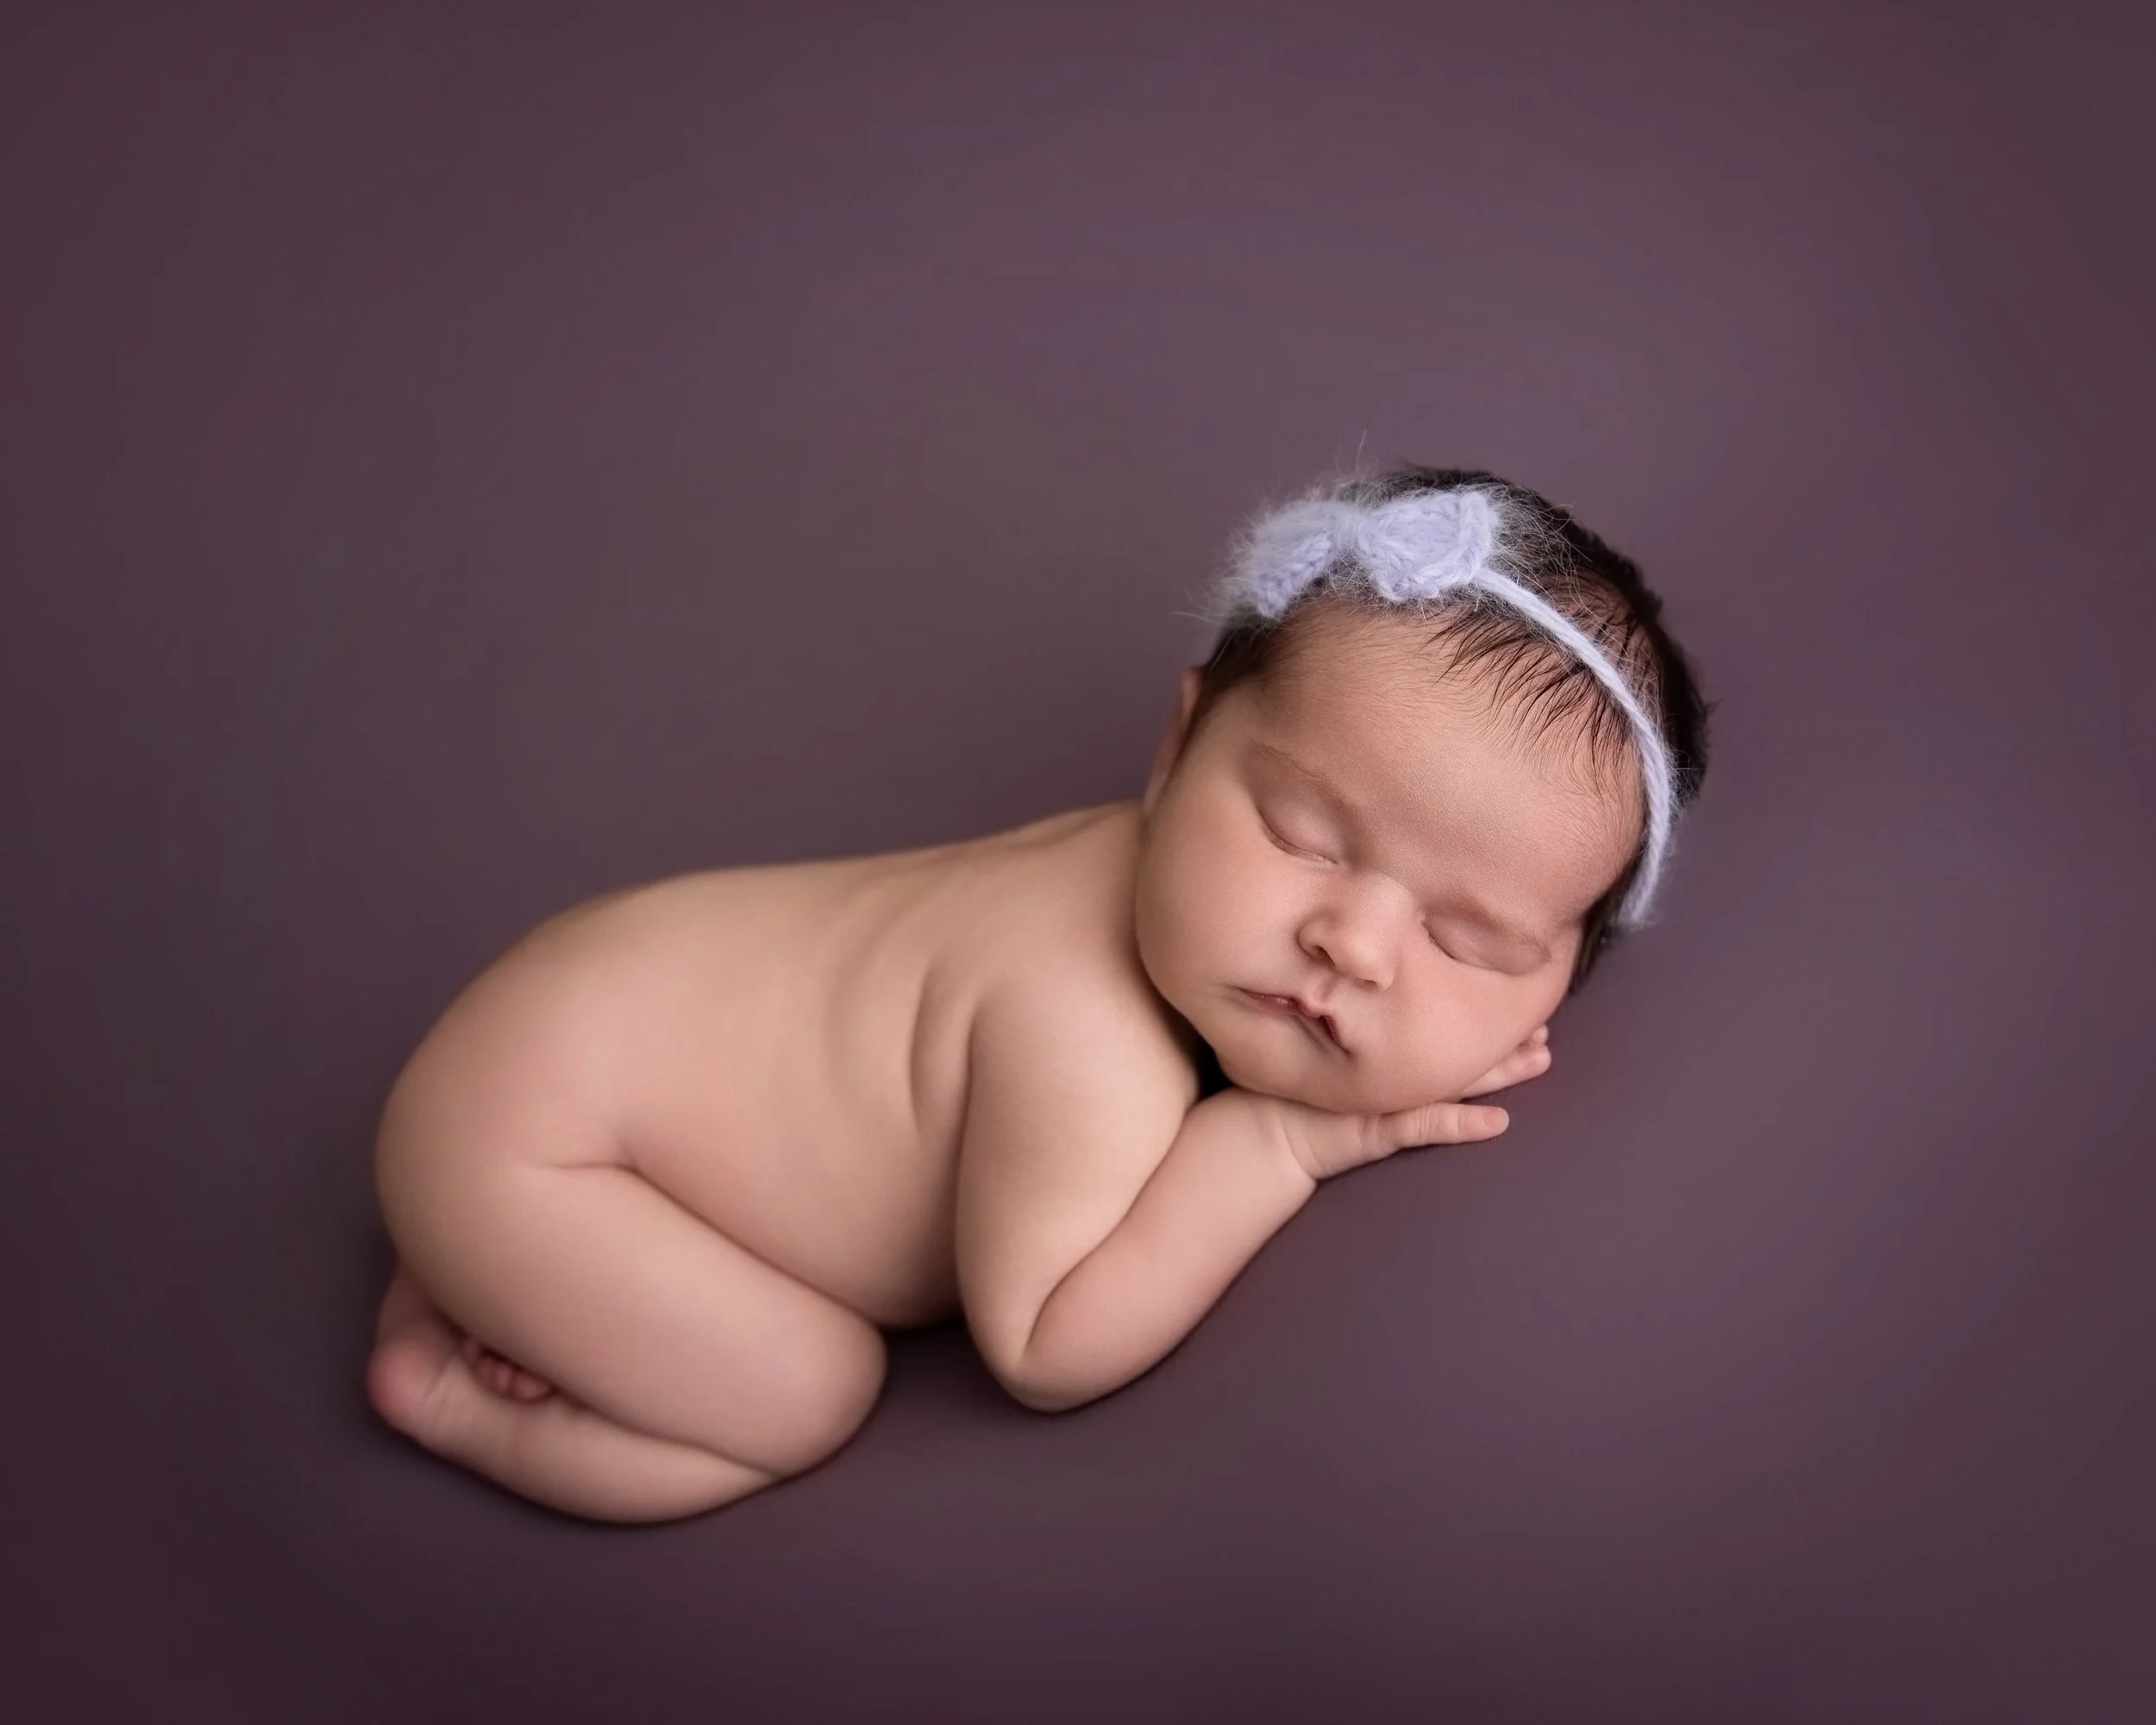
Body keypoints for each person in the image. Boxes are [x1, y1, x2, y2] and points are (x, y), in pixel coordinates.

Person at [364, 463, 1712, 1522]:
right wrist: (1276, 1143)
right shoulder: (1082, 1022)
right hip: (540, 1141)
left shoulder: (1157, 882)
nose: (1352, 943)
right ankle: (437, 1378)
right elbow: (1044, 1343)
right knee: (804, 1393)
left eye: (1469, 941)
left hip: (574, 1017)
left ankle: (488, 1266)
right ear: (1178, 744)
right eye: (1302, 836)